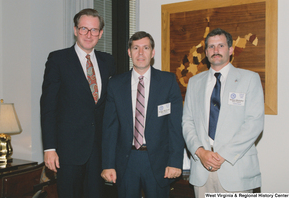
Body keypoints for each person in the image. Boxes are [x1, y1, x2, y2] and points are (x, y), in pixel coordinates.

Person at [40, 8, 116, 198]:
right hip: (68, 152)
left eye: (94, 30)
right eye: (84, 29)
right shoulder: (58, 59)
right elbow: (48, 106)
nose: (89, 35)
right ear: (75, 30)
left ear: (101, 33)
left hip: (99, 151)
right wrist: (50, 148)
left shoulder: (108, 61)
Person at [101, 31, 184, 198]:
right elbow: (110, 128)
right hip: (126, 160)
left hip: (159, 162)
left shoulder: (168, 81)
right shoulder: (115, 84)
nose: (140, 53)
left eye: (146, 48)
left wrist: (175, 162)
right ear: (129, 52)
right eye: (136, 48)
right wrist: (108, 164)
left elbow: (175, 126)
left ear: (153, 53)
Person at [182, 28, 264, 197]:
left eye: (221, 45)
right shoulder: (194, 82)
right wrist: (200, 151)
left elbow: (254, 123)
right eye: (211, 47)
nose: (216, 50)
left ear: (231, 50)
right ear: (206, 52)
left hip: (235, 169)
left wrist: (222, 155)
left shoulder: (249, 79)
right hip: (201, 169)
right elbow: (187, 122)